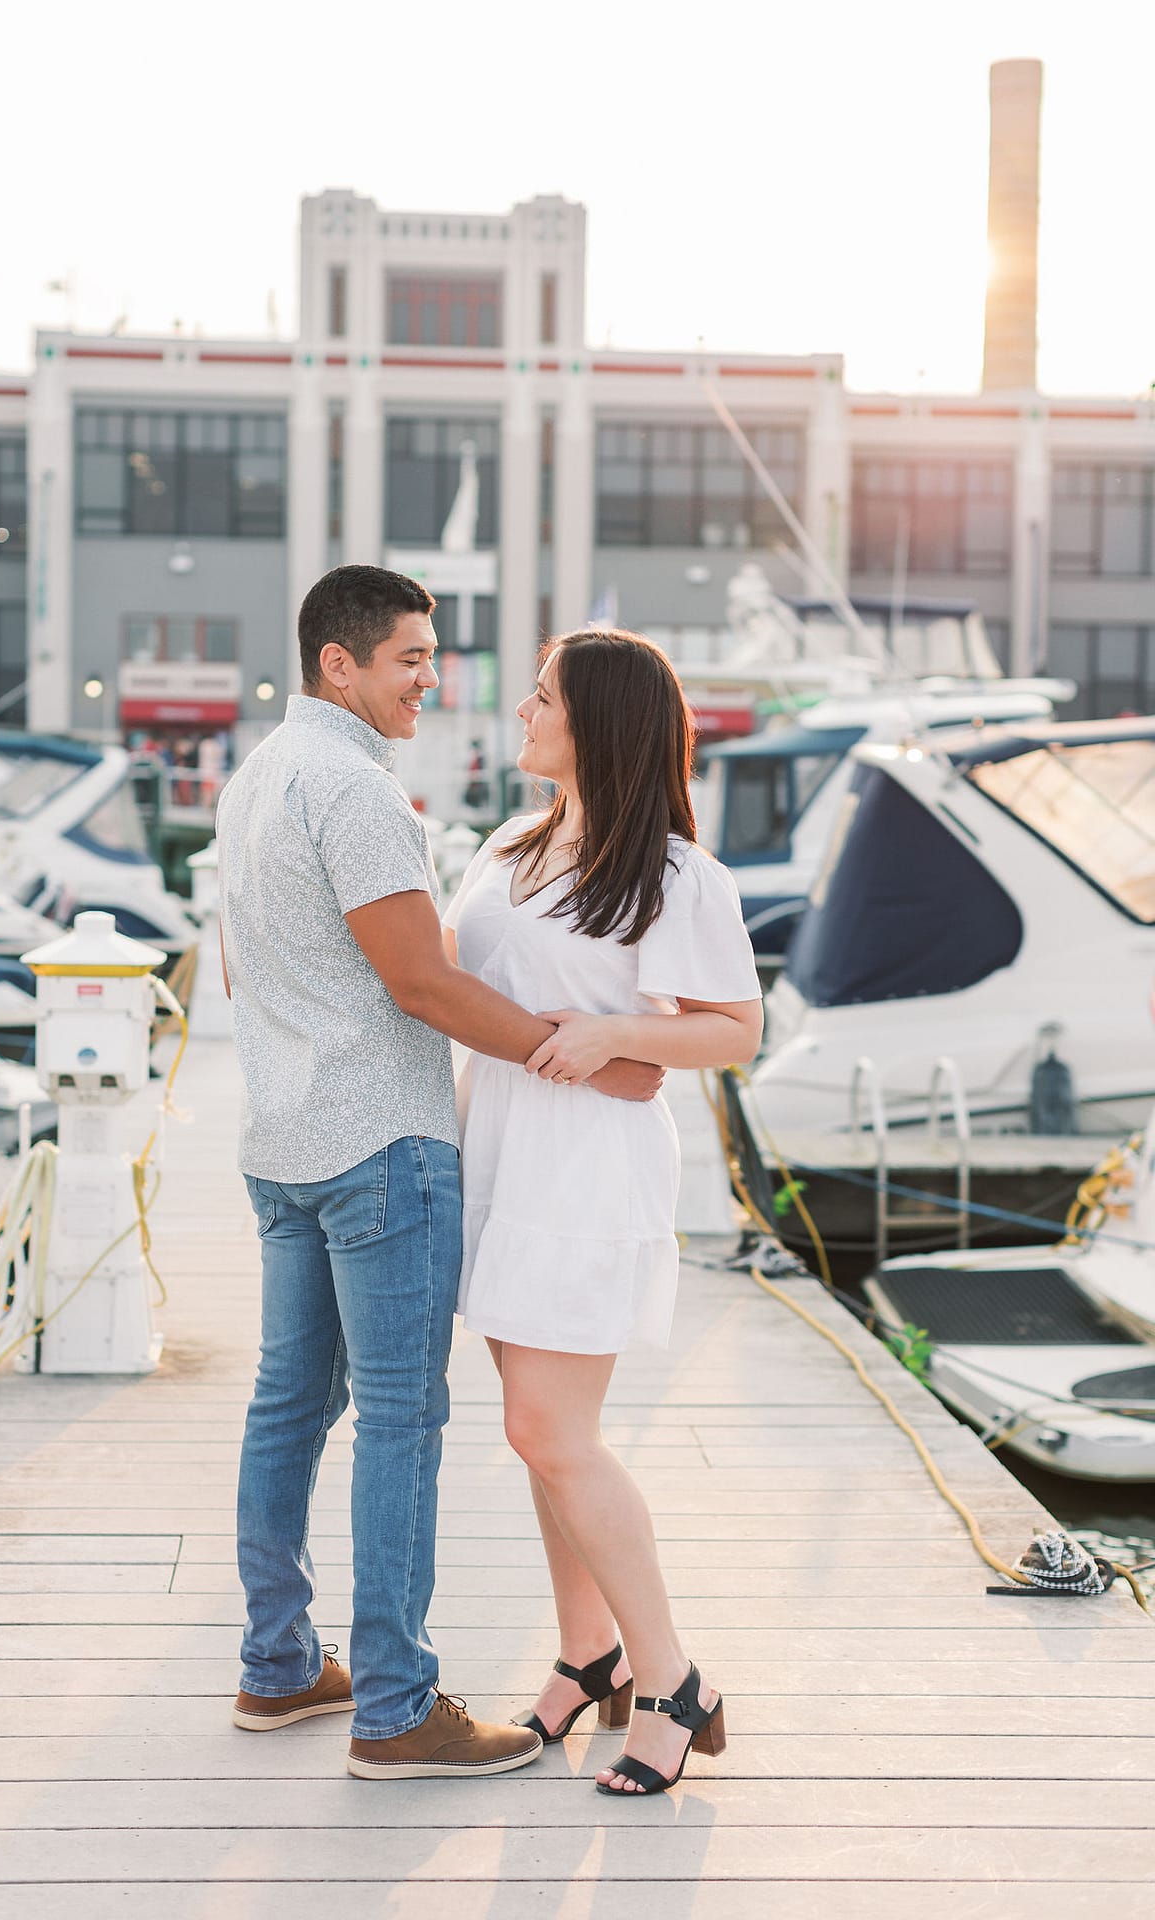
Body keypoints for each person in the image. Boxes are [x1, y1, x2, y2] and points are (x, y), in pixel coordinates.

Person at [215, 565, 663, 1781]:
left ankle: (277, 1667)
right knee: (400, 1423)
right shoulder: (355, 789)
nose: (432, 678)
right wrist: (580, 1056)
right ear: (339, 664)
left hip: (281, 1143)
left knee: (287, 1407)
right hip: (379, 1149)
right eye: (409, 657)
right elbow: (422, 982)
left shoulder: (255, 778)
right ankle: (396, 1708)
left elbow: (238, 969)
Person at [441, 628, 764, 1798]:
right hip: (495, 1148)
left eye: (542, 697)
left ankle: (673, 1681)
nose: (523, 712)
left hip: (587, 1166)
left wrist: (617, 1036)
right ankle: (588, 1656)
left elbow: (734, 1030)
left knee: (551, 1431)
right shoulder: (507, 845)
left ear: (600, 722)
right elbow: (452, 977)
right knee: (535, 1432)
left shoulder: (676, 874)